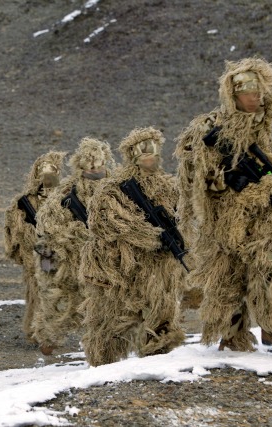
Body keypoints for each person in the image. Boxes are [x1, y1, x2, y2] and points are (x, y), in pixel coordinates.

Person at [173, 57, 272, 351]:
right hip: (228, 218)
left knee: (270, 269)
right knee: (228, 277)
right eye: (249, 92)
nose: (256, 97)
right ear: (234, 95)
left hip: (267, 215)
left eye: (259, 91)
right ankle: (230, 335)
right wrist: (228, 181)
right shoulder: (215, 127)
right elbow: (198, 173)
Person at [79, 127, 189, 366]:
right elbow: (107, 222)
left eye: (154, 154)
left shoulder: (168, 186)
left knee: (162, 308)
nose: (151, 159)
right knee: (114, 316)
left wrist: (175, 240)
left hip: (158, 265)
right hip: (119, 264)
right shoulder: (114, 188)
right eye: (144, 155)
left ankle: (156, 359)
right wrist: (150, 236)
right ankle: (103, 365)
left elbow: (182, 217)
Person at [31, 137, 114, 356]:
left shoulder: (116, 190)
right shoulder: (67, 191)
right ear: (81, 164)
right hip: (68, 256)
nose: (95, 168)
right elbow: (48, 223)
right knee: (57, 298)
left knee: (103, 302)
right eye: (90, 163)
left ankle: (102, 345)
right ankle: (48, 337)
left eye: (98, 162)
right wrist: (69, 237)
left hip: (103, 258)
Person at [3, 150, 66, 342]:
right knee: (37, 292)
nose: (48, 177)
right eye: (44, 172)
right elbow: (16, 228)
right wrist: (32, 242)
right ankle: (38, 330)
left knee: (57, 292)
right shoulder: (26, 201)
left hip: (60, 253)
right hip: (35, 255)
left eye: (52, 172)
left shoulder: (64, 198)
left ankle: (51, 329)